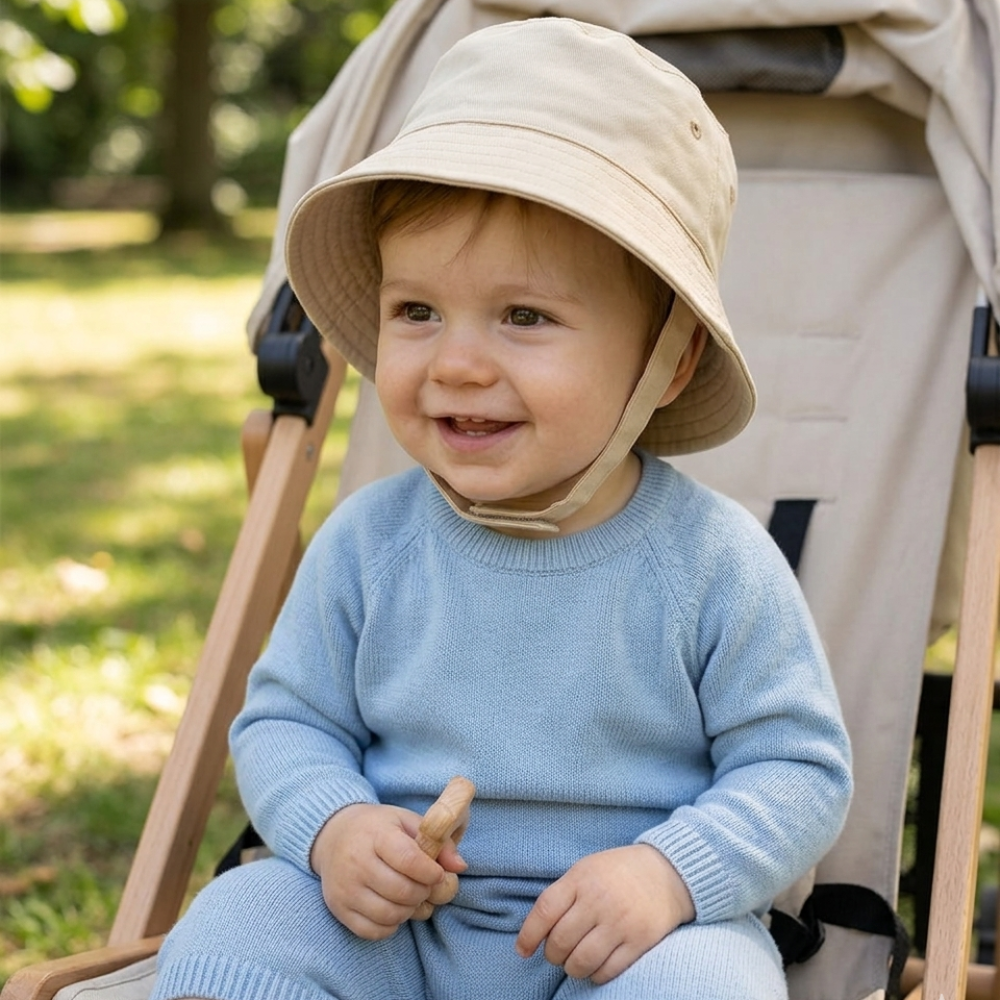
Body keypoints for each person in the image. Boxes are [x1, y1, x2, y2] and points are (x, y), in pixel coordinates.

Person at [151, 16, 852, 1000]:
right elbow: (284, 724)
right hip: (394, 932)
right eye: (417, 311)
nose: (458, 363)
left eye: (524, 316)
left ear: (669, 360)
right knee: (238, 919)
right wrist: (336, 826)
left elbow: (798, 770)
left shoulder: (710, 562)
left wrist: (667, 873)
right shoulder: (369, 541)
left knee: (708, 983)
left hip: (624, 945)